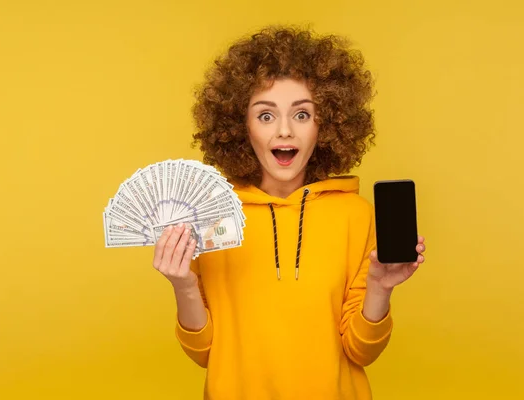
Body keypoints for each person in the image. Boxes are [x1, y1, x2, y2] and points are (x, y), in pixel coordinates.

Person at [152, 26, 426, 400]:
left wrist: (380, 288)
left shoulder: (356, 215)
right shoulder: (211, 216)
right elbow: (204, 353)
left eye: (302, 115)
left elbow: (362, 351)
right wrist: (183, 285)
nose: (284, 131)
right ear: (239, 126)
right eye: (265, 116)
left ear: (325, 125)